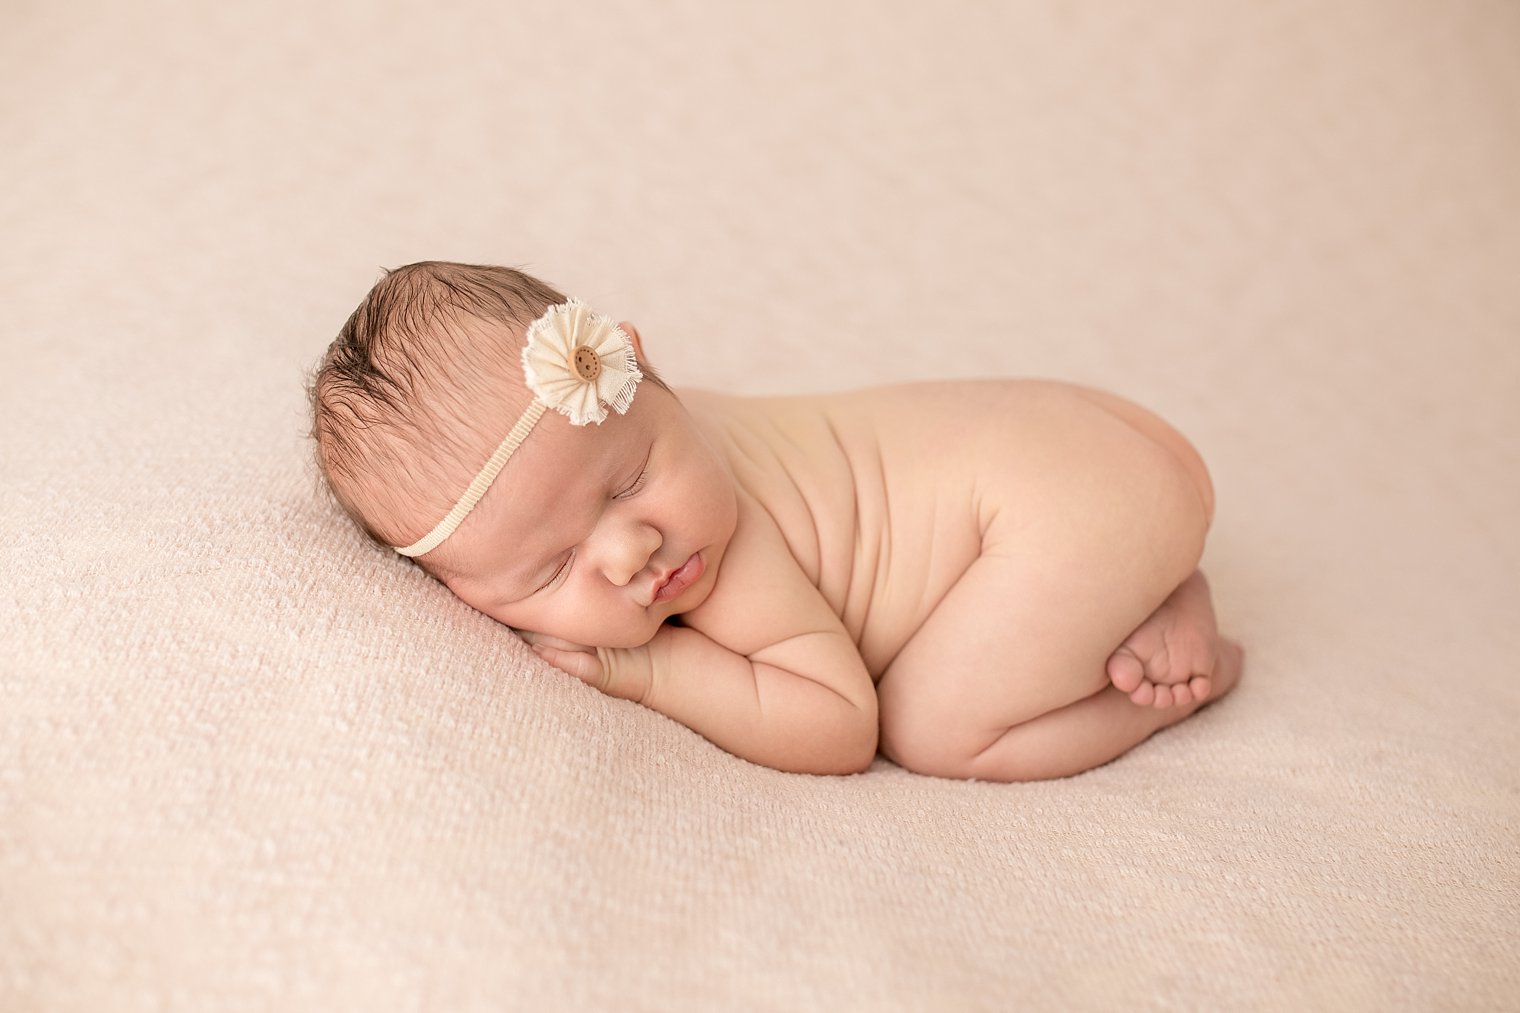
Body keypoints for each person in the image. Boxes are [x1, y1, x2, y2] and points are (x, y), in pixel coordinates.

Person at [309, 261, 1242, 780]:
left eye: (630, 479)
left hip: (1064, 505)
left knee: (931, 730)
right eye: (551, 571)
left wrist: (651, 667)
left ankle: (1175, 676)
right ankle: (1145, 575)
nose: (634, 550)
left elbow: (839, 723)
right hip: (1090, 447)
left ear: (643, 371)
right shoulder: (662, 442)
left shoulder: (729, 550)